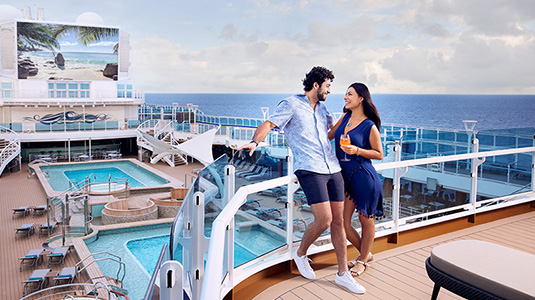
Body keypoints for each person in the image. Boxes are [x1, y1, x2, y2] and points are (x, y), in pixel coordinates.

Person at [239, 67, 366, 294]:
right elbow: (268, 124)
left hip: (332, 167)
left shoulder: (324, 108)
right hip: (309, 168)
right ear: (316, 85)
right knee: (324, 219)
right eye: (327, 86)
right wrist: (254, 142)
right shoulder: (290, 104)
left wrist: (349, 116)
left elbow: (332, 132)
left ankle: (342, 274)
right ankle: (300, 253)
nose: (330, 90)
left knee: (338, 221)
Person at [328, 82, 384, 277]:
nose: (345, 97)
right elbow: (328, 135)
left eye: (349, 94)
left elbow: (379, 154)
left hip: (364, 177)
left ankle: (362, 260)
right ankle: (366, 254)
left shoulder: (369, 125)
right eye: (345, 94)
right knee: (342, 223)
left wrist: (357, 150)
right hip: (345, 178)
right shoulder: (344, 117)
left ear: (361, 98)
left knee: (365, 220)